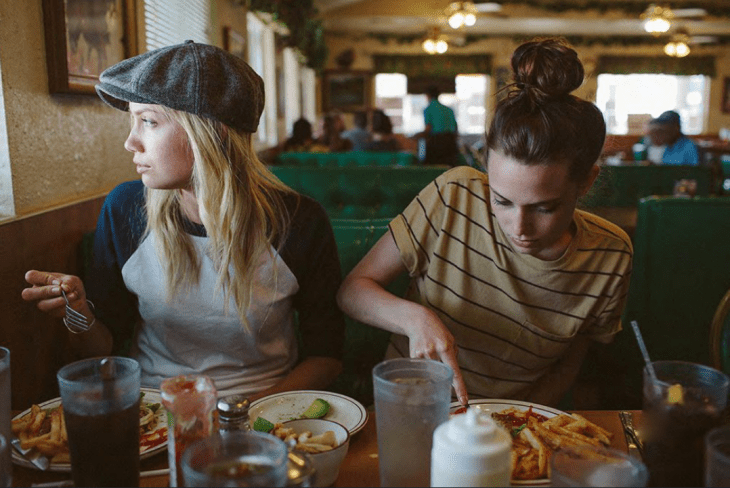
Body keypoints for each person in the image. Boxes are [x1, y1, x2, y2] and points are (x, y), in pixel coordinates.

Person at [21, 40, 345, 400]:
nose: (131, 142)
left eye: (148, 121)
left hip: (265, 411)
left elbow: (327, 356)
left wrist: (237, 415)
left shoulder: (298, 222)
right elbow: (99, 351)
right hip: (152, 411)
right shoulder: (125, 209)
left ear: (212, 131)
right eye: (133, 122)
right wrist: (77, 311)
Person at [337, 38, 633, 408]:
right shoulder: (455, 194)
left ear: (586, 182)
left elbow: (569, 367)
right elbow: (352, 291)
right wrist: (413, 318)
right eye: (501, 200)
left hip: (515, 423)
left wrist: (519, 424)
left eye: (544, 208)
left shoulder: (610, 254)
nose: (518, 227)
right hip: (413, 411)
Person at [417, 85, 460, 166]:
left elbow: (428, 129)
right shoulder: (449, 110)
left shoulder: (428, 109)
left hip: (436, 144)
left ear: (428, 95)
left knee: (434, 169)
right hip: (451, 144)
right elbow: (455, 128)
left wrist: (415, 136)